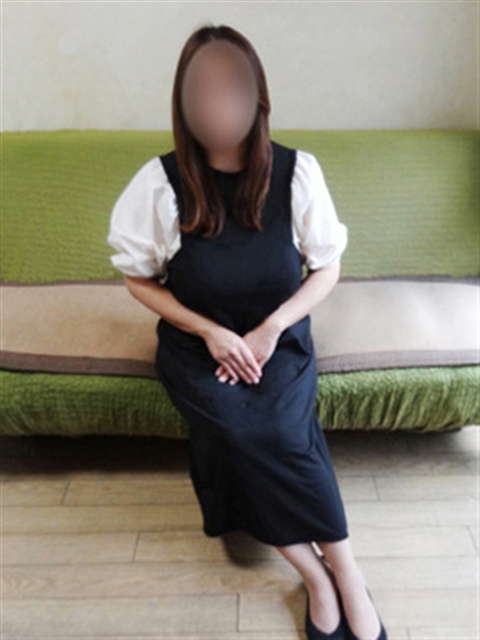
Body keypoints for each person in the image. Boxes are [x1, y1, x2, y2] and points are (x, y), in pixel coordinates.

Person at [107, 23, 387, 640]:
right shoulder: (160, 183)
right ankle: (318, 577)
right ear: (183, 104)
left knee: (284, 430)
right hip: (198, 348)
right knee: (240, 430)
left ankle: (348, 571)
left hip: (277, 342)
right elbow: (137, 279)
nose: (218, 106)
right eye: (201, 92)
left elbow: (327, 267)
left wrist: (271, 327)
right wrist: (210, 331)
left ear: (258, 96)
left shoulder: (296, 172)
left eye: (231, 89)